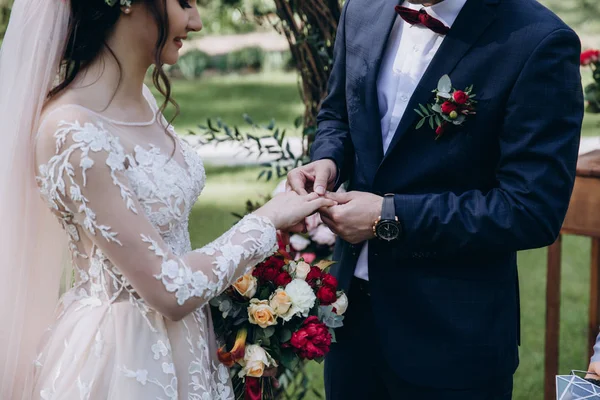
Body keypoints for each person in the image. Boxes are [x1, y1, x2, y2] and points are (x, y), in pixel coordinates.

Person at [0, 0, 336, 398]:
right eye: (185, 3)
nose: (195, 22)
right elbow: (169, 289)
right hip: (124, 358)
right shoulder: (72, 131)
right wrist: (267, 220)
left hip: (187, 345)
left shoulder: (141, 99)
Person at [287, 0, 584, 398]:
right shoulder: (361, 9)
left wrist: (386, 216)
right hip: (350, 320)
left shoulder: (540, 40)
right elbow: (339, 112)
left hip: (453, 338)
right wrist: (327, 160)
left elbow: (531, 210)